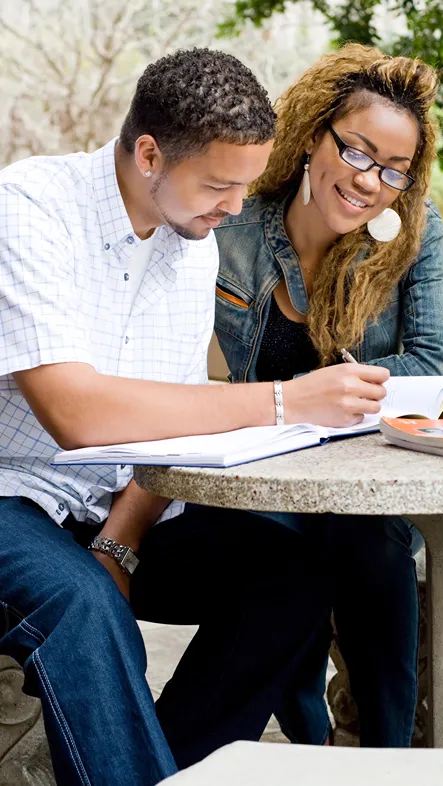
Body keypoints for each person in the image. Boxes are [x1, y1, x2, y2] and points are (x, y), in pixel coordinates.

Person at [0, 47, 391, 785]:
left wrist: (119, 544)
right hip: (9, 495)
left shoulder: (194, 244)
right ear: (150, 153)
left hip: (110, 504)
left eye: (245, 186)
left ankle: (161, 774)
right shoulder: (30, 207)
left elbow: (172, 424)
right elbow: (75, 413)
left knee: (295, 575)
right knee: (84, 607)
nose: (236, 209)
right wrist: (284, 399)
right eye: (219, 184)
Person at [213, 43, 443, 747]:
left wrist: (316, 400)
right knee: (278, 561)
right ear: (314, 133)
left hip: (368, 473)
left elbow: (435, 362)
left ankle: (386, 754)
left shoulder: (415, 232)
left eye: (393, 170)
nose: (370, 182)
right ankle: (315, 746)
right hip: (268, 474)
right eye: (355, 153)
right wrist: (294, 401)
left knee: (373, 544)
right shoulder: (233, 227)